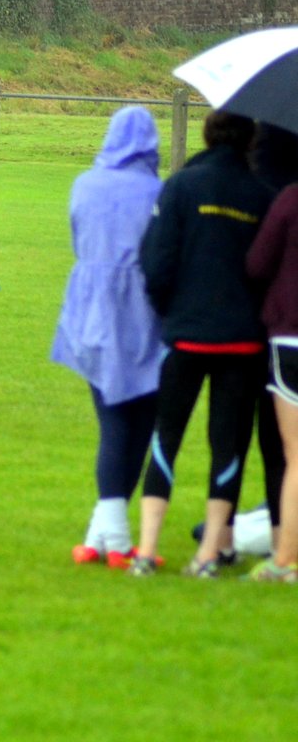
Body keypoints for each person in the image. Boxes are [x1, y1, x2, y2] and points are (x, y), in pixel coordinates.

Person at [130, 111, 271, 578]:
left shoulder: (182, 185)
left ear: (208, 133)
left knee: (166, 435)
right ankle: (209, 555)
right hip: (242, 341)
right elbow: (264, 268)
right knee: (227, 445)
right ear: (250, 139)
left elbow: (155, 262)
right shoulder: (261, 194)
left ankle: (146, 550)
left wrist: (171, 313)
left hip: (186, 334)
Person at [50, 107, 166, 567]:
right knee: (136, 420)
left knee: (112, 416)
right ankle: (116, 540)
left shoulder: (85, 183)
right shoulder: (156, 191)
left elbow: (77, 237)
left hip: (89, 303)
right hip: (140, 308)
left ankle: (99, 536)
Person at [245, 178, 298, 581]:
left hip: (291, 334)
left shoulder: (291, 198)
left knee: (296, 454)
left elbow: (257, 264)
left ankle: (285, 560)